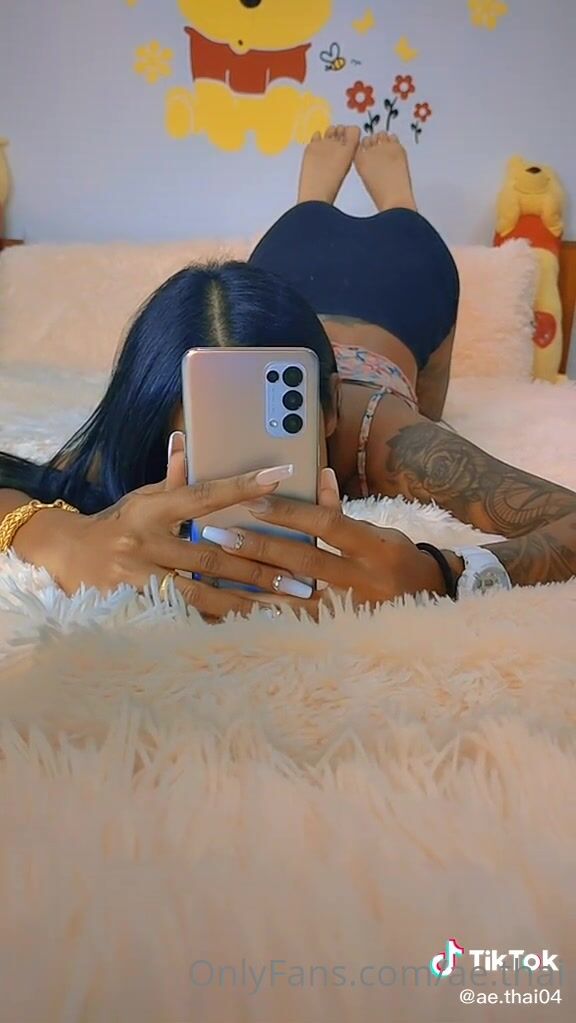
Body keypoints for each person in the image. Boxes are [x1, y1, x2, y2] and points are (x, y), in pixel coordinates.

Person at [0, 174, 575, 615]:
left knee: (408, 230)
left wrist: (442, 573)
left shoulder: (380, 434)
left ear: (328, 414)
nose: (240, 478)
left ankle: (397, 197)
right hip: (290, 267)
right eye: (208, 444)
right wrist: (62, 538)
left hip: (407, 290)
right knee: (289, 244)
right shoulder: (150, 429)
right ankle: (313, 201)